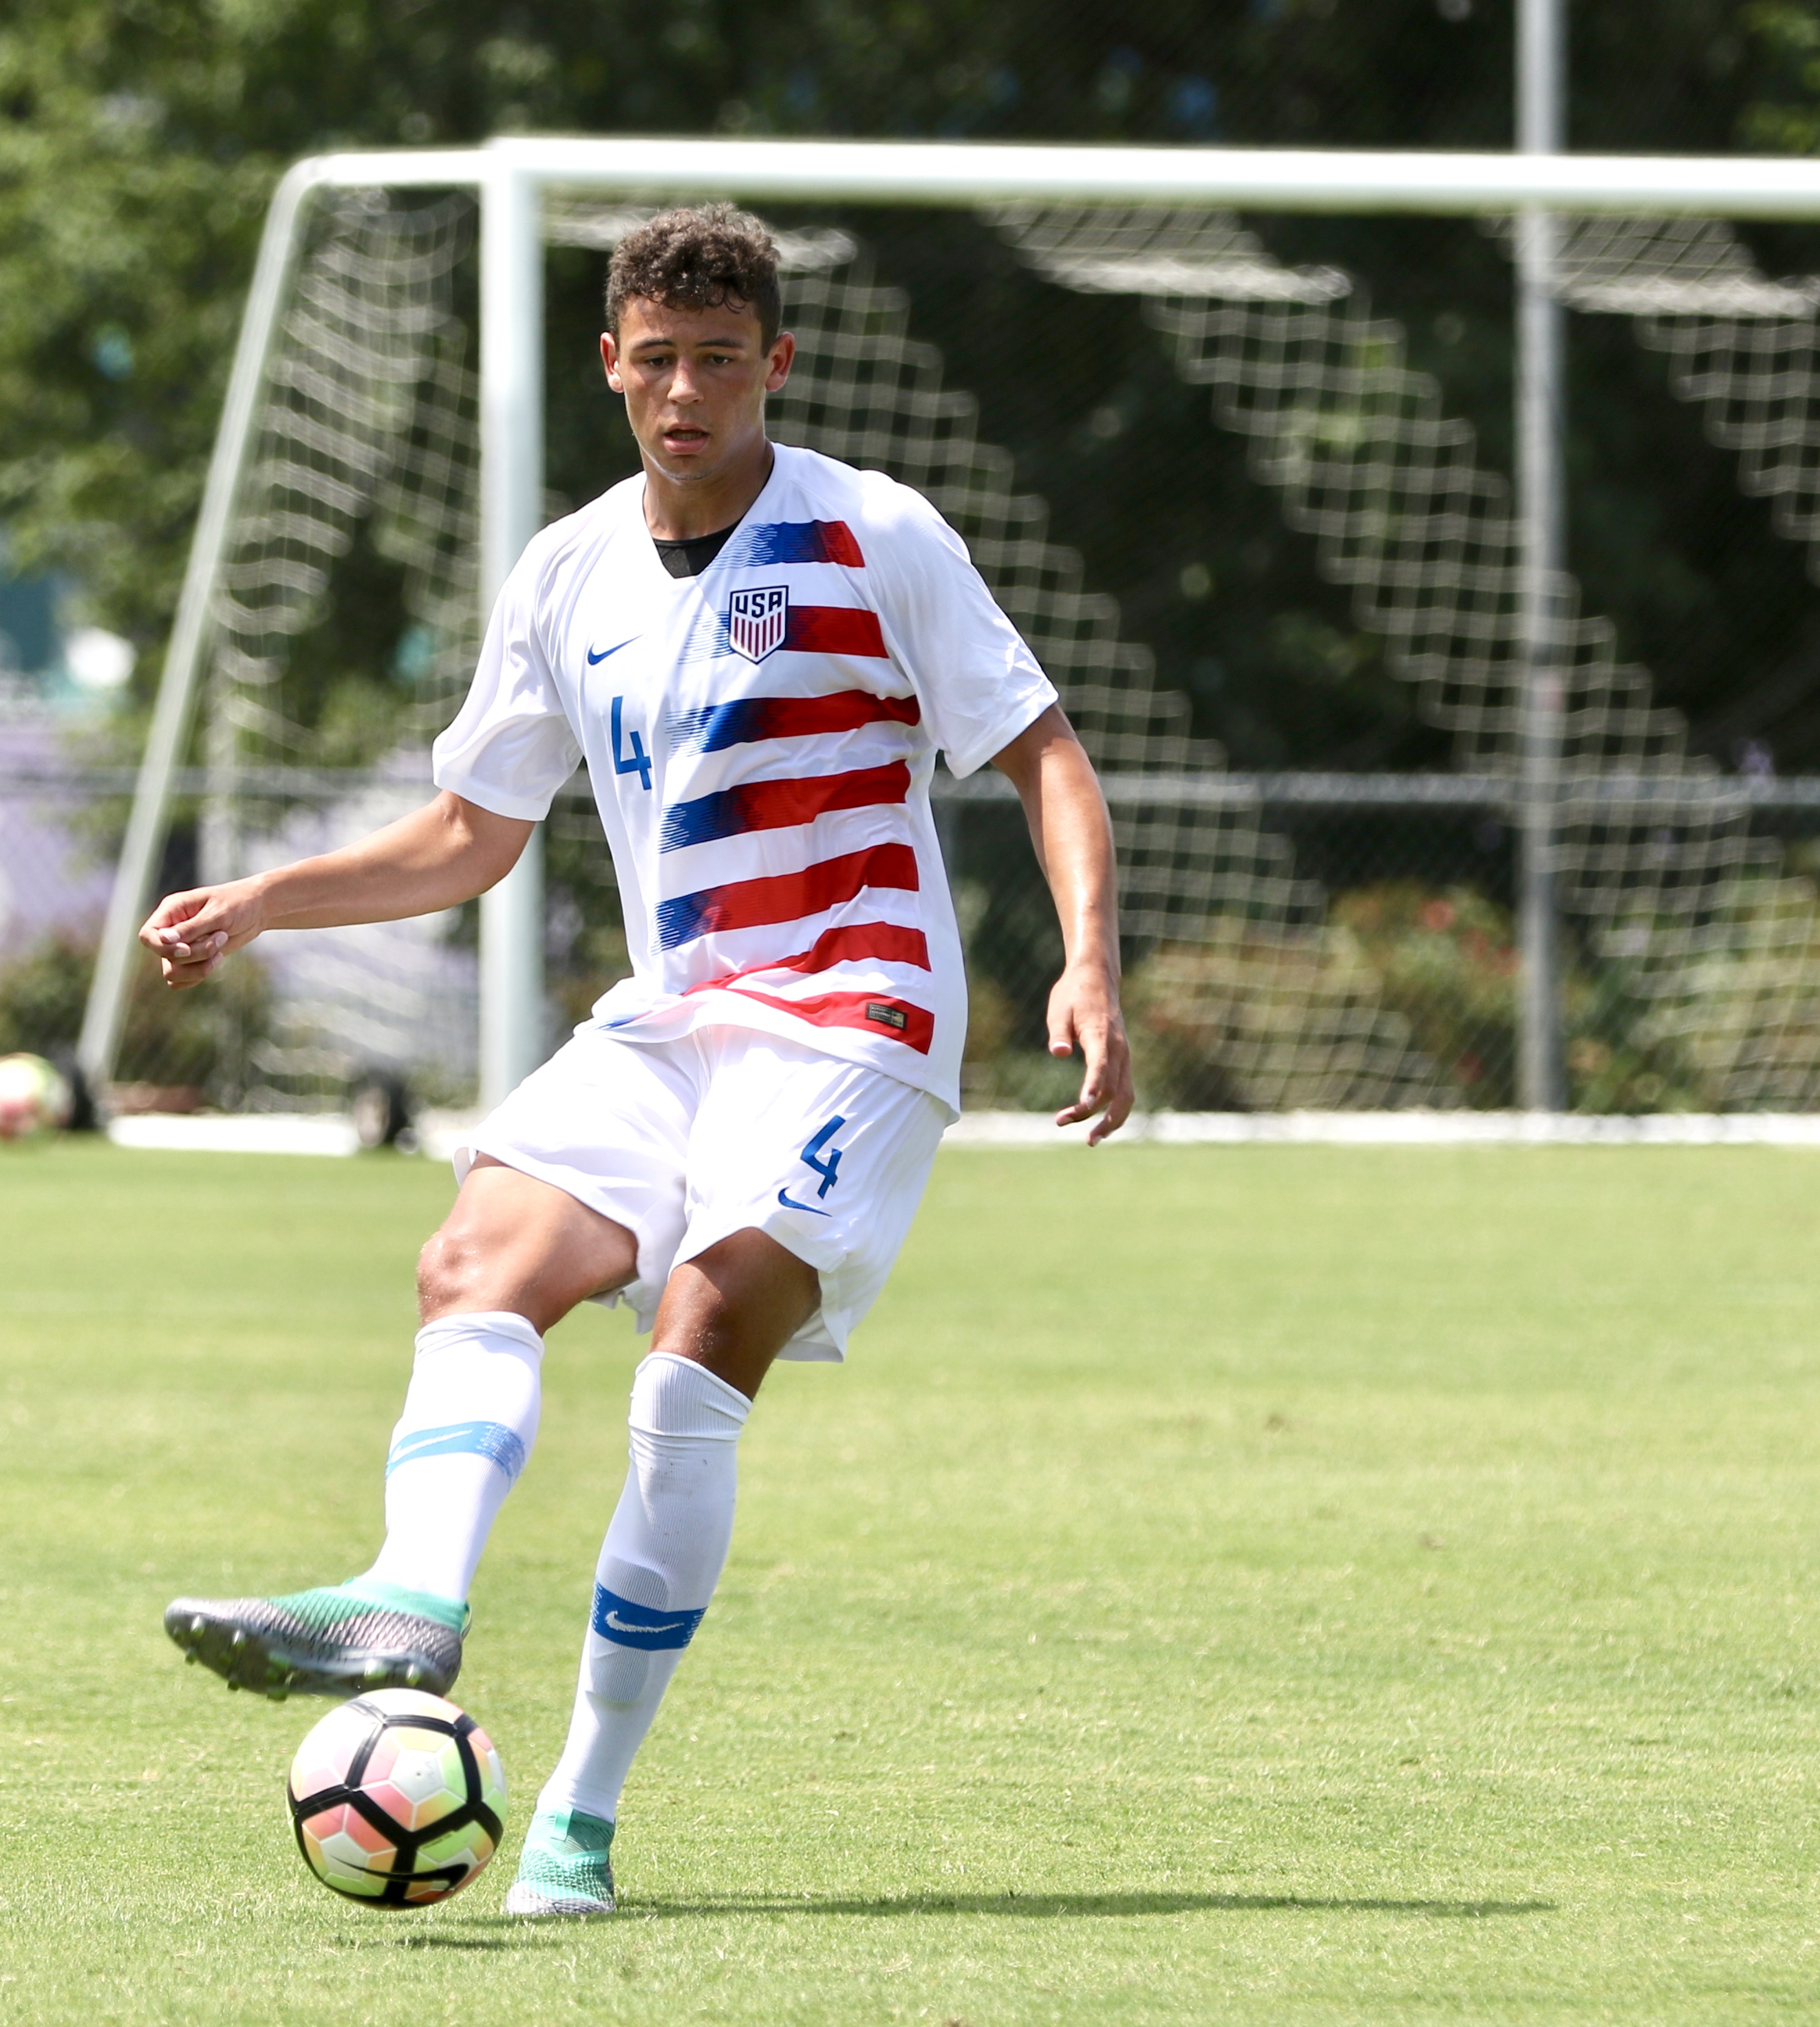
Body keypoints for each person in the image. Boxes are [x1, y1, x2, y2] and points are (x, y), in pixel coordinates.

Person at [144, 204, 1131, 1917]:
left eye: (722, 362)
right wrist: (272, 898)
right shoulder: (567, 571)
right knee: (479, 1256)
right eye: (657, 361)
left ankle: (578, 1824)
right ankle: (414, 1597)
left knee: (691, 1353)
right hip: (675, 1011)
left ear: (776, 367)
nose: (687, 393)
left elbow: (1041, 750)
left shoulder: (873, 532)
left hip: (859, 1018)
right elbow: (469, 830)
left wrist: (1092, 962)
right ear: (611, 364)